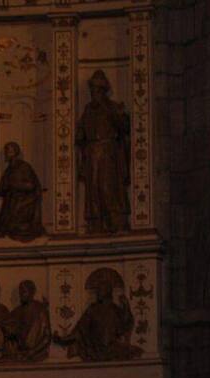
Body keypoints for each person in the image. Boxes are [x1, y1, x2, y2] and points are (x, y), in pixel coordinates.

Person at [76, 70, 130, 234]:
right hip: (92, 152)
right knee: (93, 189)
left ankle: (115, 221)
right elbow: (81, 131)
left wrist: (115, 113)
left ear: (103, 90)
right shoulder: (88, 109)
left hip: (108, 151)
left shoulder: (112, 107)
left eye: (97, 90)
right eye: (92, 89)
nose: (94, 93)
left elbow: (124, 127)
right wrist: (80, 135)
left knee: (108, 186)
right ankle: (95, 222)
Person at [54, 274, 141, 361]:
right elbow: (80, 330)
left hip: (107, 349)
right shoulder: (93, 310)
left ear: (107, 292)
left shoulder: (113, 310)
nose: (98, 293)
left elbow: (125, 326)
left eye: (100, 290)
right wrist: (62, 340)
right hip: (97, 349)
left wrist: (126, 307)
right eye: (98, 290)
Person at [0, 142, 44, 242]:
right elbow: (3, 188)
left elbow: (31, 185)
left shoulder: (24, 167)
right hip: (11, 199)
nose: (6, 154)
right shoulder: (8, 169)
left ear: (15, 152)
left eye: (9, 151)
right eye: (6, 151)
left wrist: (15, 185)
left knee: (16, 210)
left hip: (24, 200)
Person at [9, 280, 51, 362]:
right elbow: (11, 336)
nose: (21, 294)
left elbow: (47, 337)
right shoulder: (15, 312)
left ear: (32, 292)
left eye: (24, 291)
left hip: (36, 354)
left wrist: (33, 351)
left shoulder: (40, 310)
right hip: (20, 354)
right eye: (20, 292)